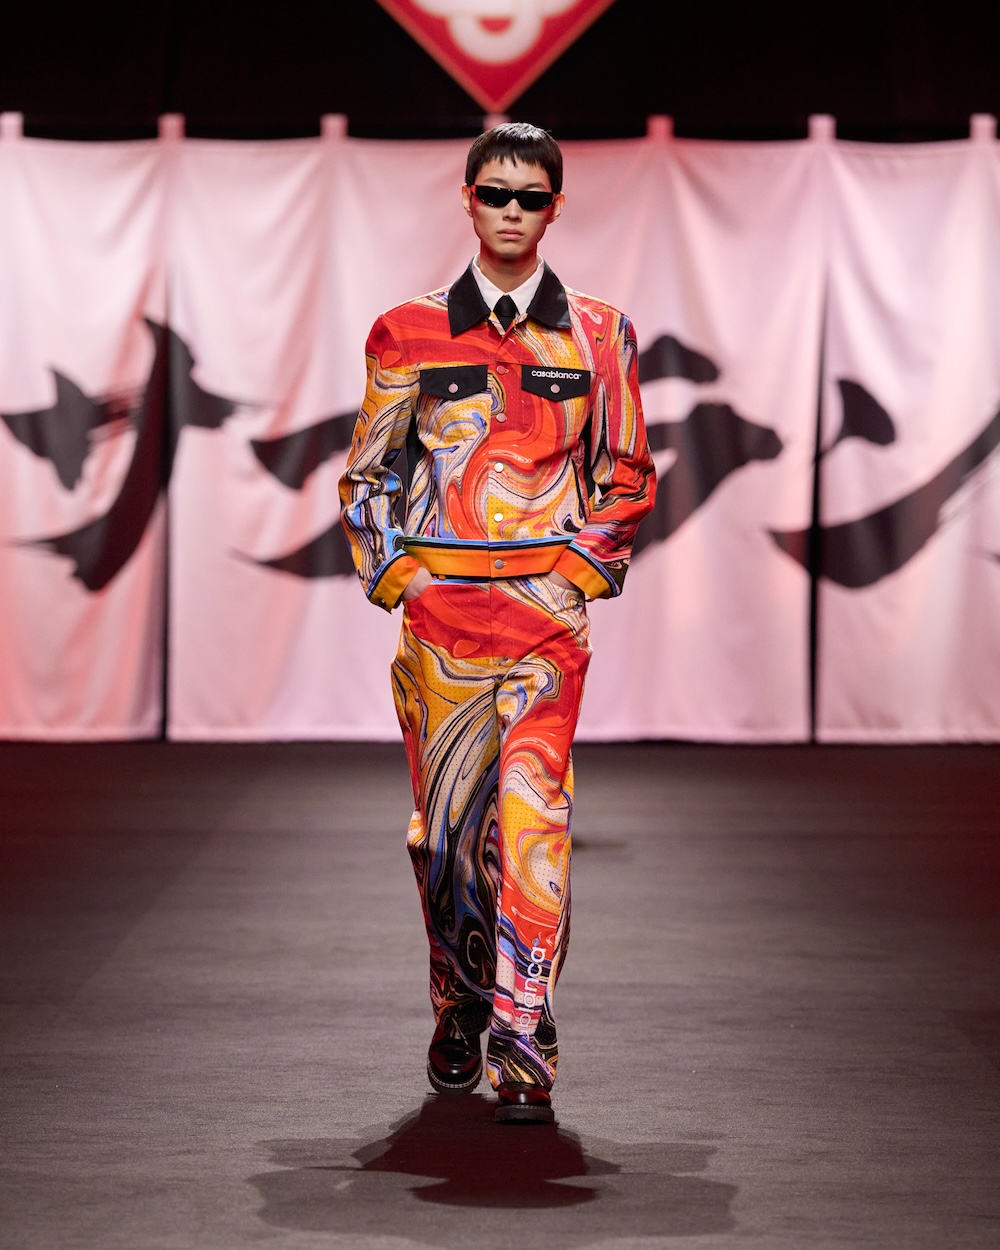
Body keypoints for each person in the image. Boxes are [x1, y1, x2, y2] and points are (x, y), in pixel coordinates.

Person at [339, 122, 655, 1124]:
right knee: (443, 842)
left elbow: (626, 473)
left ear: (555, 207)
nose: (512, 211)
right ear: (468, 199)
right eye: (495, 193)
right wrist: (399, 576)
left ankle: (523, 1031)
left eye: (530, 196)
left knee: (532, 827)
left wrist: (576, 572)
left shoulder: (599, 333)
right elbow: (367, 475)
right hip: (440, 628)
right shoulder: (407, 331)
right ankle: (459, 996)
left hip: (543, 627)